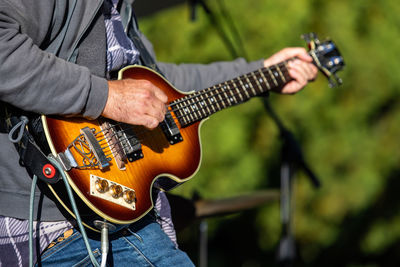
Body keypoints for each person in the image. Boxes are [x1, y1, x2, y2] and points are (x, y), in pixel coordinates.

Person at [0, 0, 318, 266]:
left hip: (112, 215)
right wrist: (107, 97)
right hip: (50, 222)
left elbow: (162, 87)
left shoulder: (119, 7)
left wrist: (262, 72)